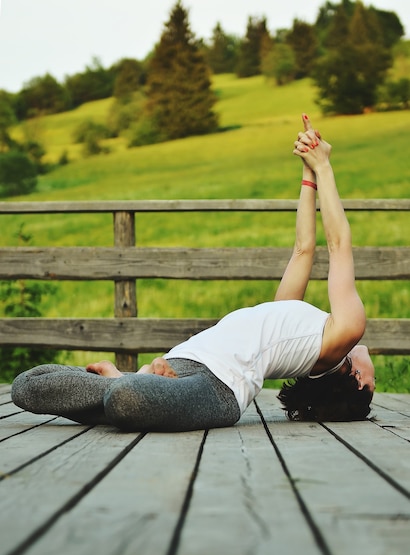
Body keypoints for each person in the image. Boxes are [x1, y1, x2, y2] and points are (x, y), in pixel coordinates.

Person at [11, 114, 375, 431]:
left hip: (217, 391)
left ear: (359, 381)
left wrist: (326, 166)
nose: (371, 361)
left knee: (124, 400)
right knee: (28, 385)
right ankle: (137, 385)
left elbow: (338, 244)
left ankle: (129, 384)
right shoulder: (298, 330)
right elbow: (303, 248)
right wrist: (309, 171)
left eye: (373, 384)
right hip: (181, 362)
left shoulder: (345, 330)